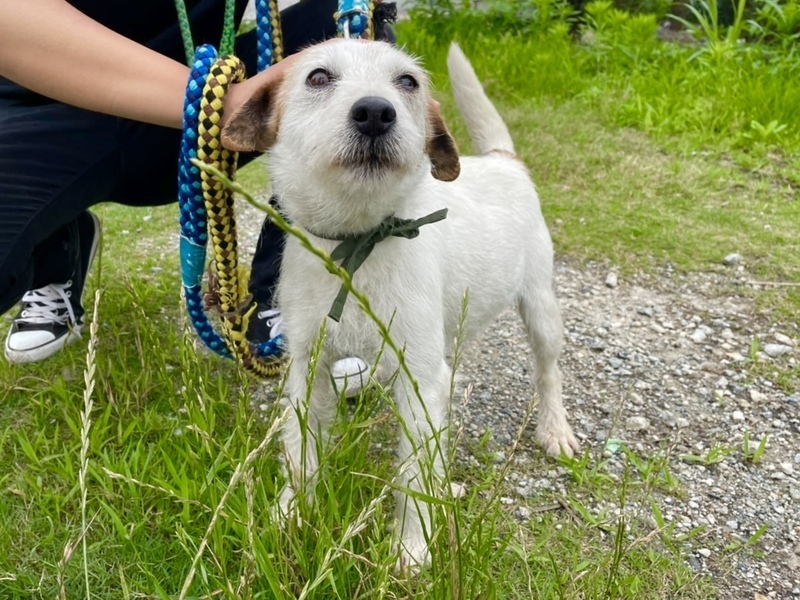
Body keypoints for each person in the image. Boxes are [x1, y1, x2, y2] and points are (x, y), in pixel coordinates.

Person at [0, 0, 390, 380]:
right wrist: (220, 100)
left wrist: (215, 99)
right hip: (37, 111)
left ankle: (287, 291)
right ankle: (57, 250)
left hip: (185, 120)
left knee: (348, 25)